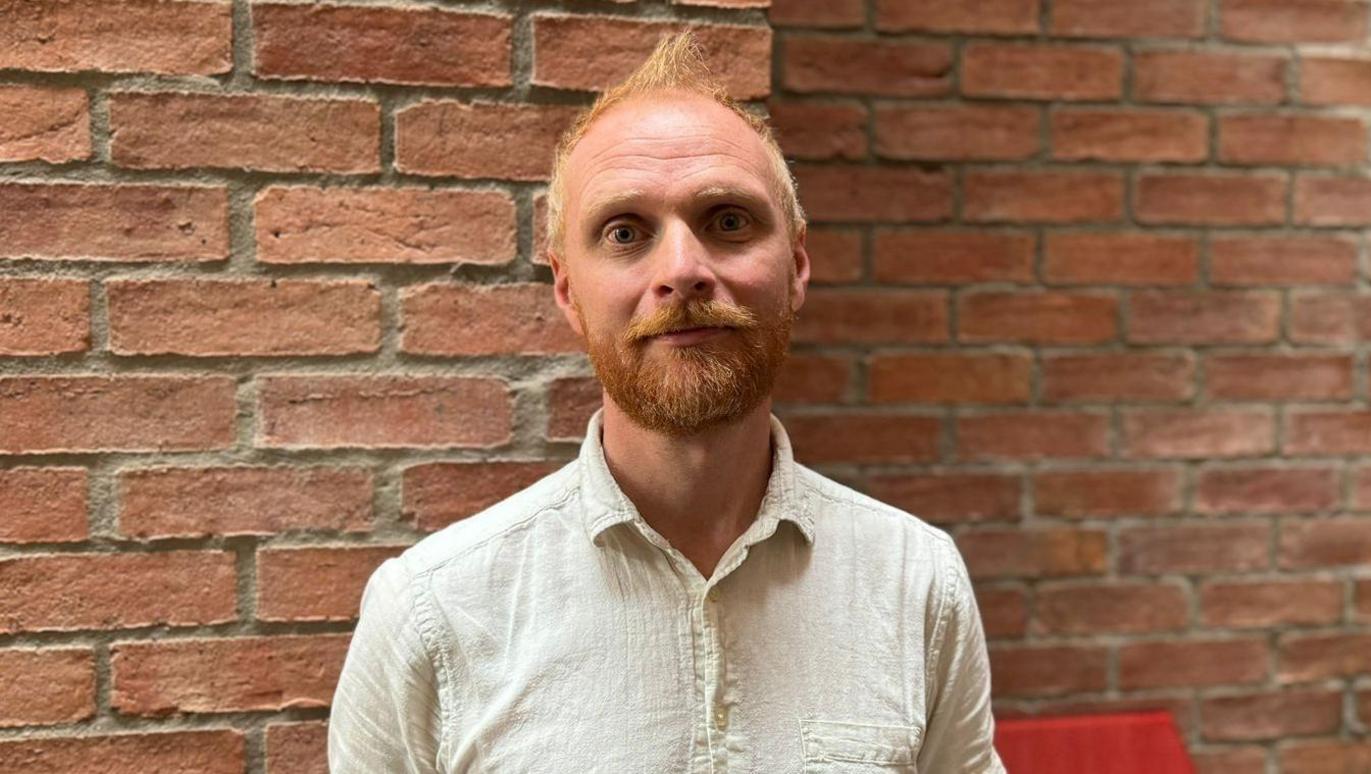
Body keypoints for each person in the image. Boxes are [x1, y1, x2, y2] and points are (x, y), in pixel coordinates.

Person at [328, 32, 1004, 773]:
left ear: (798, 265)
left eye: (729, 221)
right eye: (626, 233)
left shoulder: (916, 582)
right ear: (567, 291)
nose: (682, 270)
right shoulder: (433, 615)